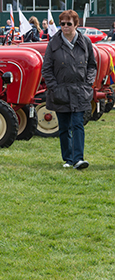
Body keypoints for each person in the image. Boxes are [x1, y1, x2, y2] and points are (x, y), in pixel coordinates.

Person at [42, 10, 97, 170]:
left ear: (76, 25)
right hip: (60, 92)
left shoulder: (85, 42)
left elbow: (92, 65)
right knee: (64, 126)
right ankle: (68, 158)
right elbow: (47, 69)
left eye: (69, 24)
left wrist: (88, 83)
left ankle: (79, 159)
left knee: (78, 124)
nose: (65, 27)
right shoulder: (53, 43)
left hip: (80, 90)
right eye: (63, 24)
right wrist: (54, 87)